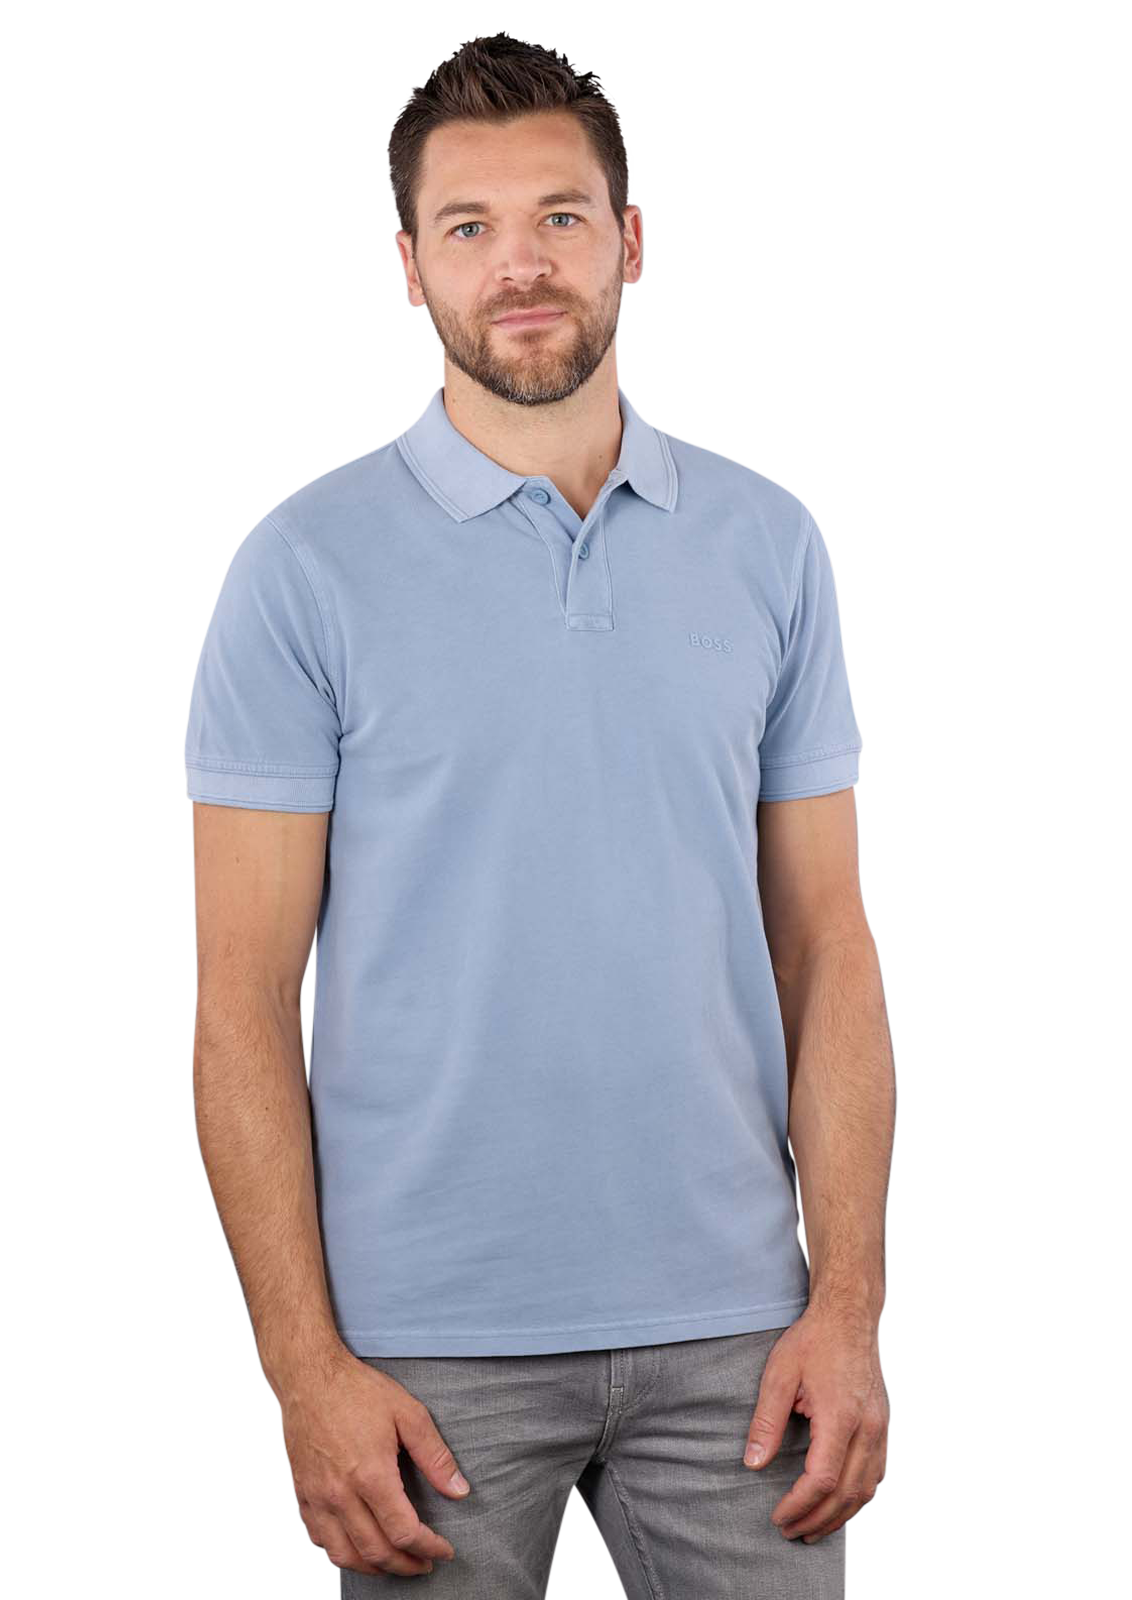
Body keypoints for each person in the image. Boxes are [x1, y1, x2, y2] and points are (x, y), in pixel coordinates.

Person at [185, 32, 893, 1597]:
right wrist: (302, 1369)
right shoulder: (306, 569)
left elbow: (829, 947)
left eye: (560, 217)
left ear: (627, 240)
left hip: (744, 1333)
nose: (520, 264)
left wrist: (848, 1308)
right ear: (410, 265)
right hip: (417, 1351)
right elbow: (239, 994)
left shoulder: (772, 549)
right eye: (469, 226)